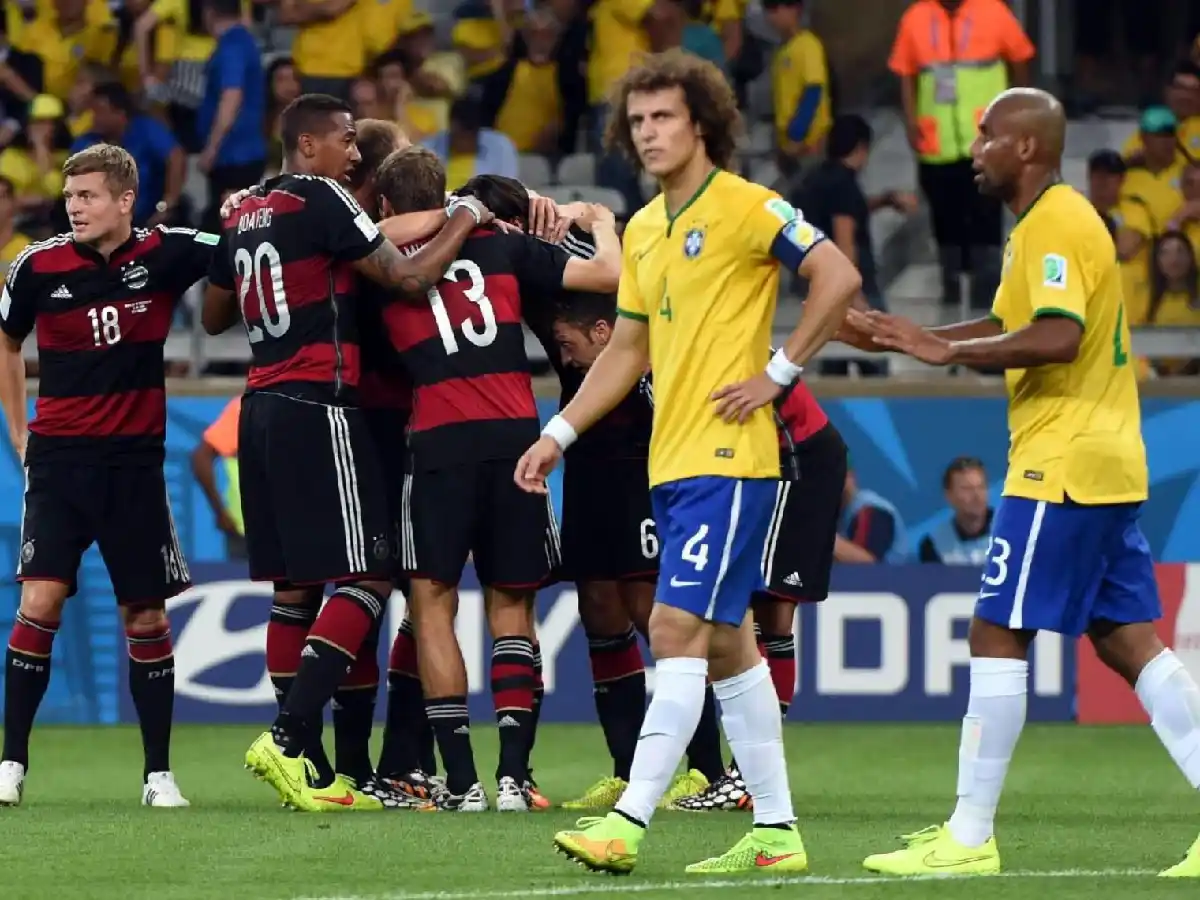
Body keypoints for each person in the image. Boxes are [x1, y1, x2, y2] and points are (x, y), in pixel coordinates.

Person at [514, 49, 861, 874]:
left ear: (702, 122)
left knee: (673, 627)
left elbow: (837, 275)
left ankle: (630, 820)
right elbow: (626, 347)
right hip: (670, 465)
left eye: (664, 117)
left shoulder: (747, 206)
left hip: (729, 461)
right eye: (637, 121)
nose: (649, 132)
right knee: (732, 646)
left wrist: (780, 373)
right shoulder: (643, 228)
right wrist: (557, 434)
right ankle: (776, 833)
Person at [844, 87, 1200, 878]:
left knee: (997, 631)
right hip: (1101, 460)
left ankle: (969, 838)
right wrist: (910, 336)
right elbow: (1007, 320)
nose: (973, 149)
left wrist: (943, 353)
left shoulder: (1058, 224)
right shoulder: (1045, 225)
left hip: (1062, 462)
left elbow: (1056, 337)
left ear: (1028, 149)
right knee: (1129, 641)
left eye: (986, 136)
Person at [200, 93, 494, 813]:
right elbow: (409, 277)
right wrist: (468, 217)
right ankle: (291, 736)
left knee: (294, 592)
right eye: (343, 142)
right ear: (308, 146)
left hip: (259, 408)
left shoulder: (241, 208)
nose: (355, 154)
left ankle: (319, 773)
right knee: (371, 575)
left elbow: (211, 318)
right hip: (319, 403)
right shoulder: (323, 199)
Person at [370, 146, 621, 812]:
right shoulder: (500, 244)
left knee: (432, 605)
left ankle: (461, 781)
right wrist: (597, 219)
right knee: (512, 609)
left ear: (387, 204)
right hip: (516, 437)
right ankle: (516, 777)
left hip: (439, 441)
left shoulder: (377, 261)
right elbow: (608, 273)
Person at [0, 143, 219, 808]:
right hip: (61, 465)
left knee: (145, 615)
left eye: (89, 196)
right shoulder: (36, 267)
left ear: (125, 200)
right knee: (39, 603)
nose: (75, 207)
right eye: (70, 197)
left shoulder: (169, 252)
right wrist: (18, 434)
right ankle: (11, 764)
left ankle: (158, 774)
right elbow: (7, 344)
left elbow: (235, 244)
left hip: (134, 467)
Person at [672, 373, 848, 811]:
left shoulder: (725, 350)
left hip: (797, 463)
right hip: (779, 465)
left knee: (758, 612)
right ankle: (748, 774)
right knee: (765, 615)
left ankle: (747, 775)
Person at [917, 456, 993, 565]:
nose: (977, 495)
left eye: (981, 487)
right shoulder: (934, 546)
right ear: (949, 495)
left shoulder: (1016, 533)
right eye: (967, 489)